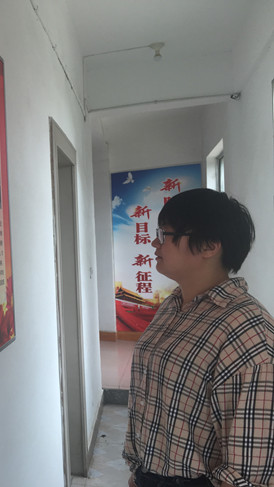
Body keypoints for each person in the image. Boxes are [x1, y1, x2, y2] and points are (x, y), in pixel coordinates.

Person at [124, 188, 274, 487]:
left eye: (165, 233)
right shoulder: (174, 305)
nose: (155, 242)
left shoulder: (248, 331)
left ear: (209, 245)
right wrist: (138, 473)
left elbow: (251, 469)